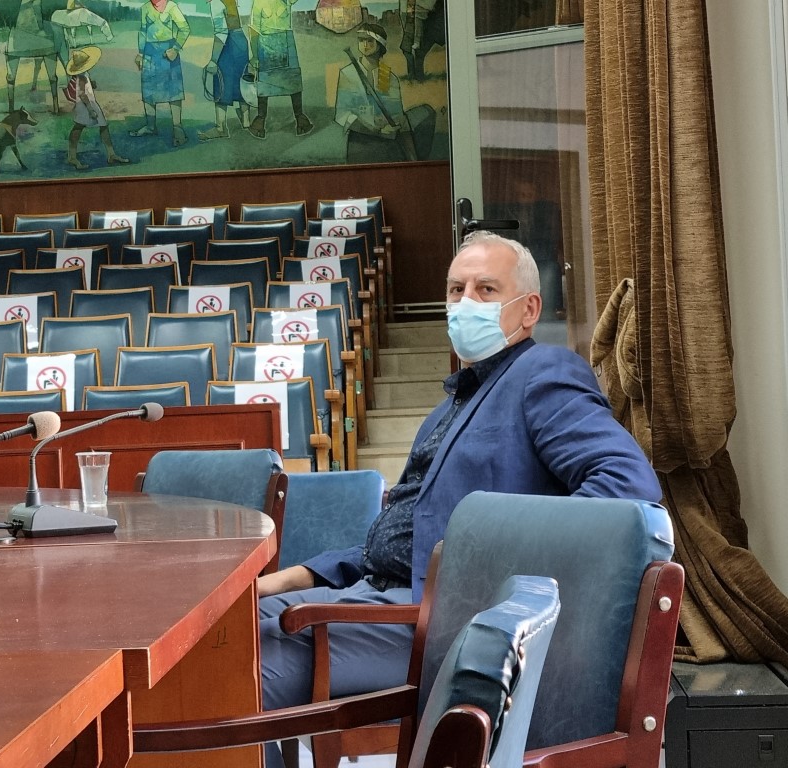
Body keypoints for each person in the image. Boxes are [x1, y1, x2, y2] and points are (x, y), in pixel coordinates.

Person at [257, 230, 662, 767]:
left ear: (528, 310)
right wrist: (298, 576)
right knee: (223, 635)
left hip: (441, 620)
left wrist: (487, 570)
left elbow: (627, 485)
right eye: (455, 290)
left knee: (235, 666)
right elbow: (410, 533)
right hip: (373, 595)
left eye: (486, 289)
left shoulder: (543, 373)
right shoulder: (446, 410)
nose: (465, 302)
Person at [334, 22, 419, 163]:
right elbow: (342, 114)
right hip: (360, 143)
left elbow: (396, 114)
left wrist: (393, 128)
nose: (365, 44)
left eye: (370, 41)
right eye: (361, 40)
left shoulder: (387, 76)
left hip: (387, 144)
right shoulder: (348, 73)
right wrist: (375, 130)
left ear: (380, 44)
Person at [245, 0, 311, 139]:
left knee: (293, 80)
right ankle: (260, 121)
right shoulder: (258, 2)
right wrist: (255, 55)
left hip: (287, 42)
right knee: (264, 83)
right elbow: (254, 29)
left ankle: (300, 119)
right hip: (265, 46)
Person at [128, 0, 190, 147]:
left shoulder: (171, 6)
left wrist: (175, 48)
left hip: (168, 51)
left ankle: (178, 128)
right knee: (148, 88)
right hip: (149, 51)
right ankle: (150, 126)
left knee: (174, 90)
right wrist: (140, 53)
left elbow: (185, 28)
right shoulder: (145, 7)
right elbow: (143, 31)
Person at [62, 46, 129, 169]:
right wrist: (90, 109)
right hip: (85, 105)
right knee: (80, 127)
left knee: (101, 126)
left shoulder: (82, 75)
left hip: (88, 103)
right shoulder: (82, 77)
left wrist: (91, 84)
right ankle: (72, 157)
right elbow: (82, 94)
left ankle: (110, 154)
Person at [198, 0, 250, 140]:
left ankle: (220, 128)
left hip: (228, 44)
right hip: (241, 42)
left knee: (221, 85)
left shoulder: (216, 3)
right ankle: (246, 122)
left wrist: (213, 60)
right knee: (241, 82)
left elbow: (221, 32)